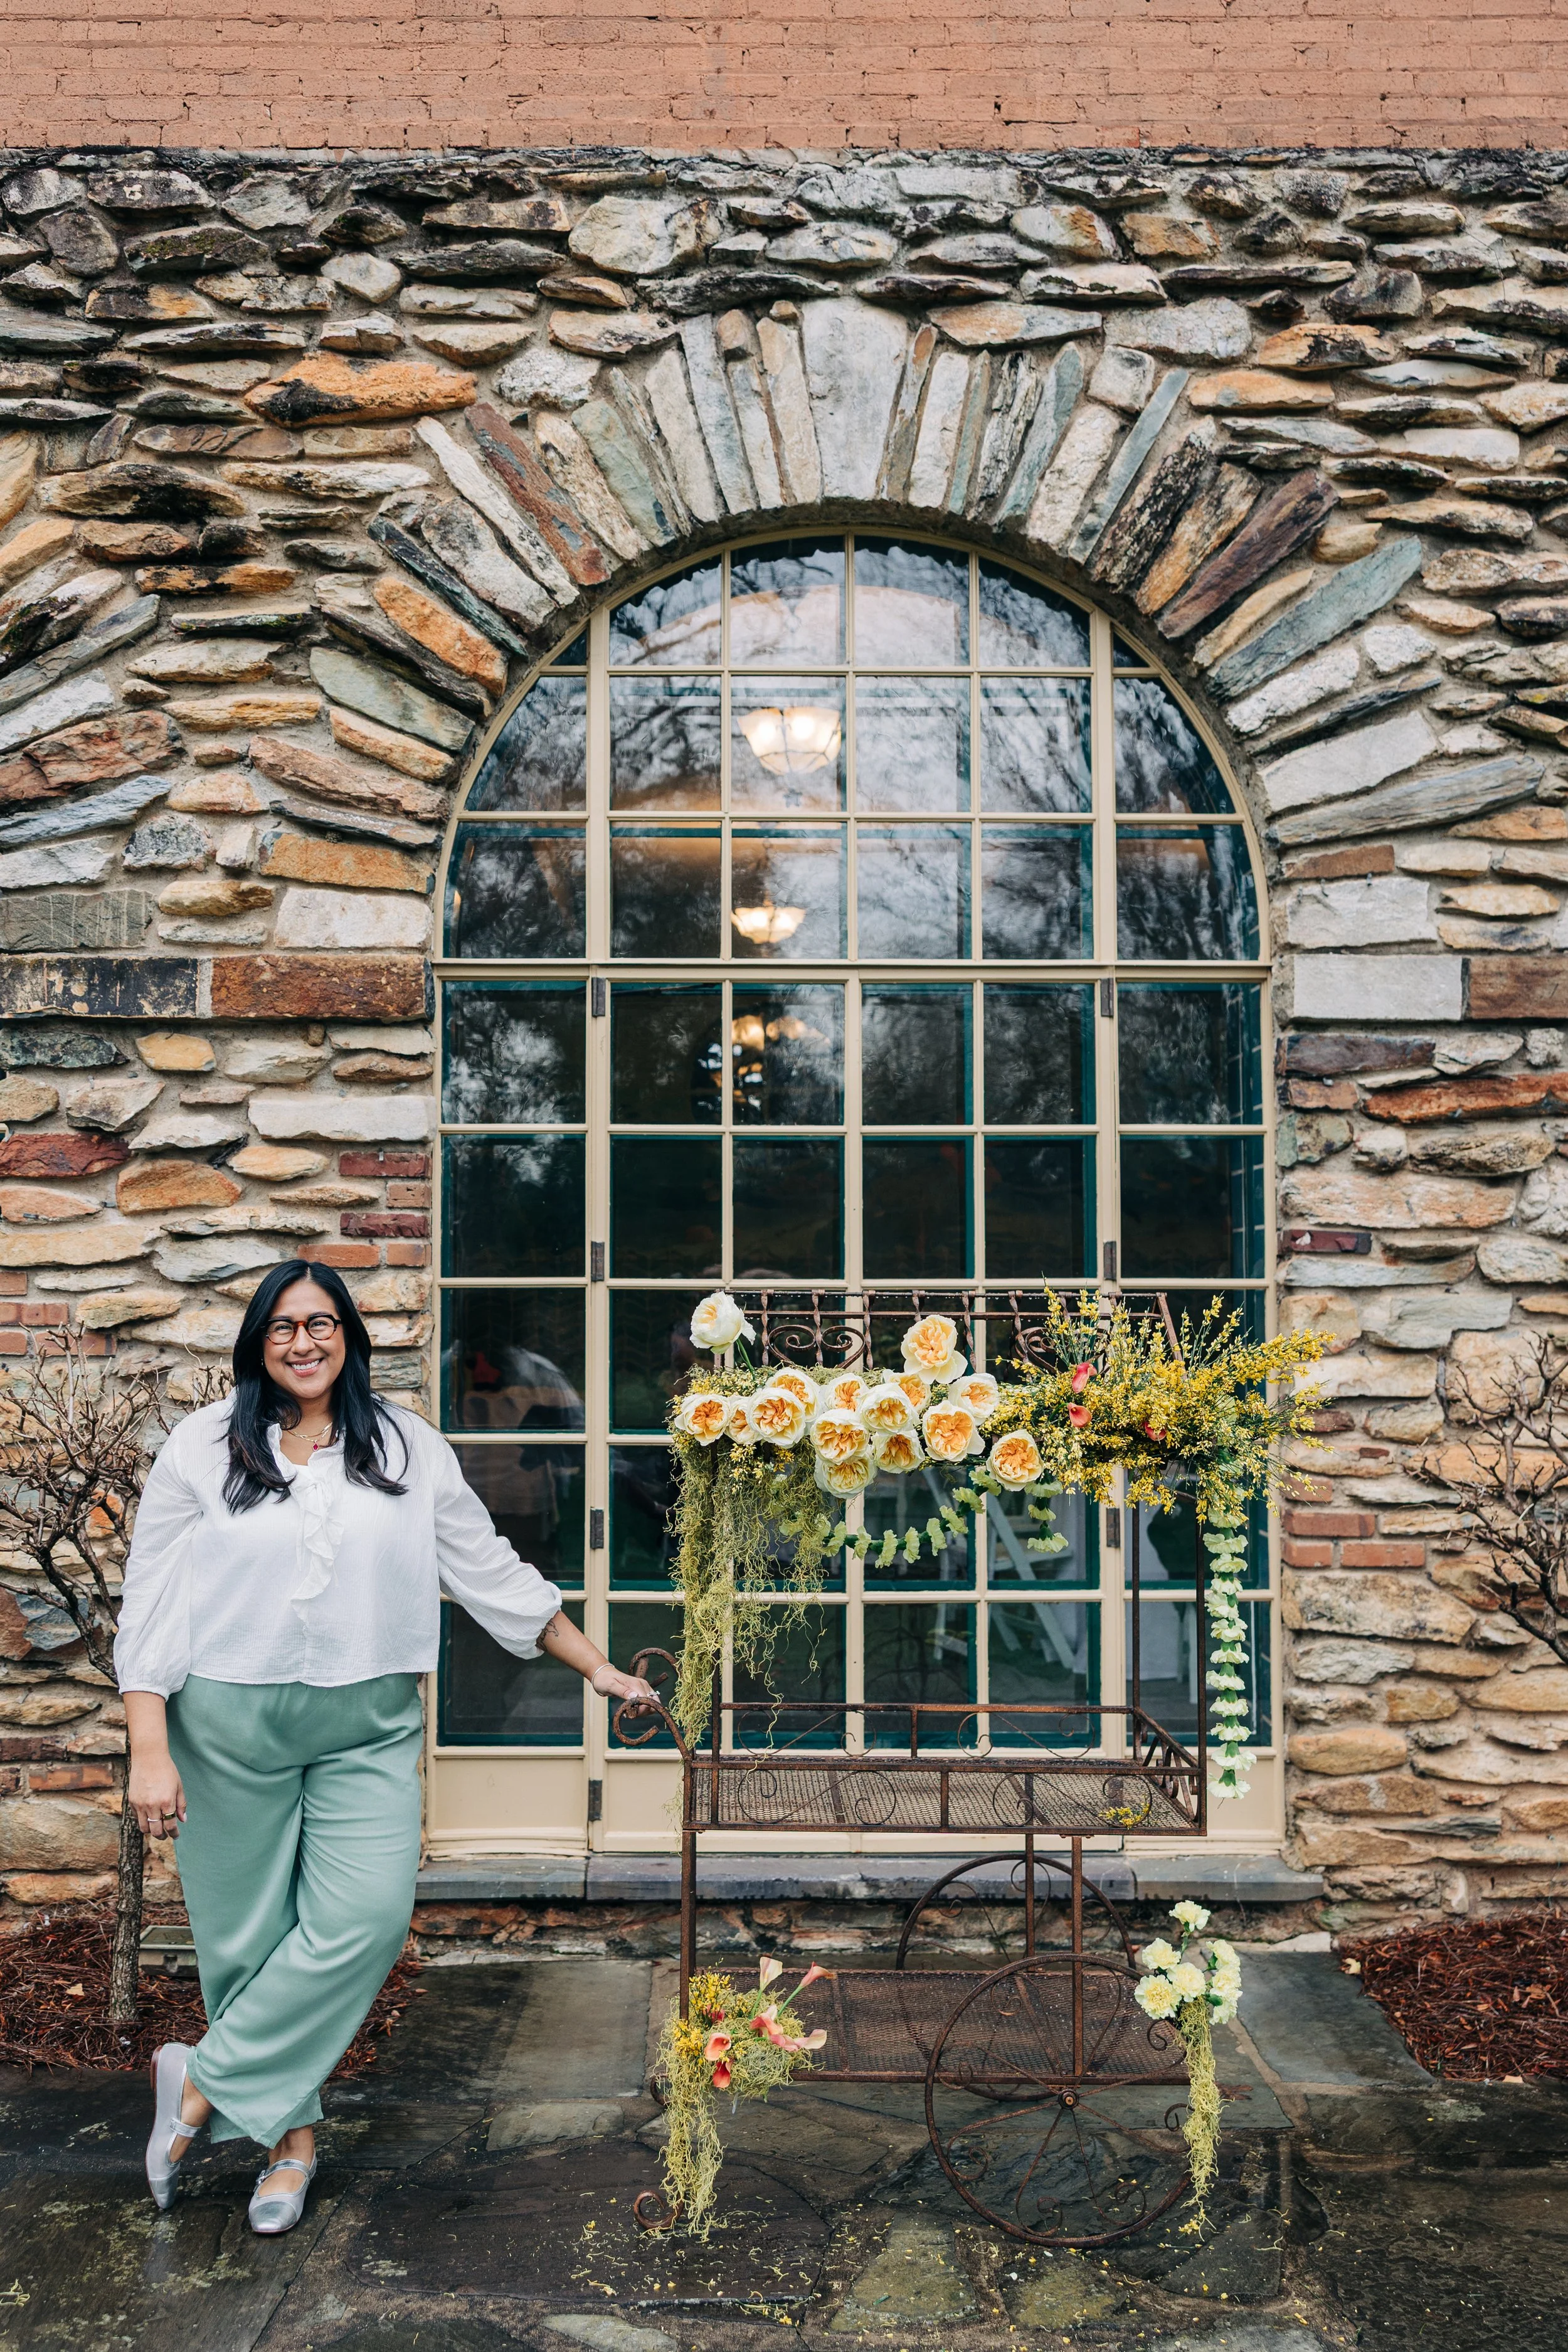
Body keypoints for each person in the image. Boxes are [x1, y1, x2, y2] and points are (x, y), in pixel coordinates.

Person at [117, 1258, 657, 2236]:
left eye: (322, 1322)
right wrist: (148, 1745)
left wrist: (598, 1668)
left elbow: (492, 1572)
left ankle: (198, 2083)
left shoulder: (408, 1449)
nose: (304, 1341)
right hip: (226, 1725)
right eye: (283, 1326)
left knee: (364, 1919)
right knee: (246, 1946)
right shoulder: (201, 1446)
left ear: (351, 1337)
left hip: (366, 1726)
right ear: (258, 1342)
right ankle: (291, 2146)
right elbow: (149, 1601)